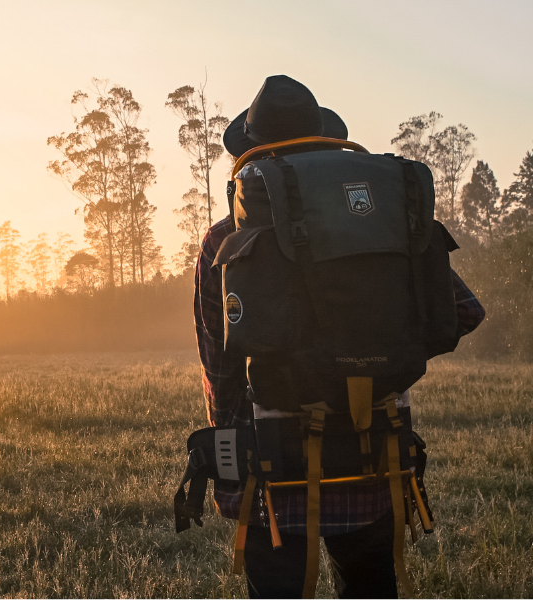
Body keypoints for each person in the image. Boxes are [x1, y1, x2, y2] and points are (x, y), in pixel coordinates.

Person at [194, 75, 485, 598]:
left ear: (254, 155)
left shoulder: (224, 240)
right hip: (375, 453)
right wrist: (378, 354)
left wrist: (231, 460)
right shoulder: (388, 224)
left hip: (273, 467)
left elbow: (220, 365)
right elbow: (462, 313)